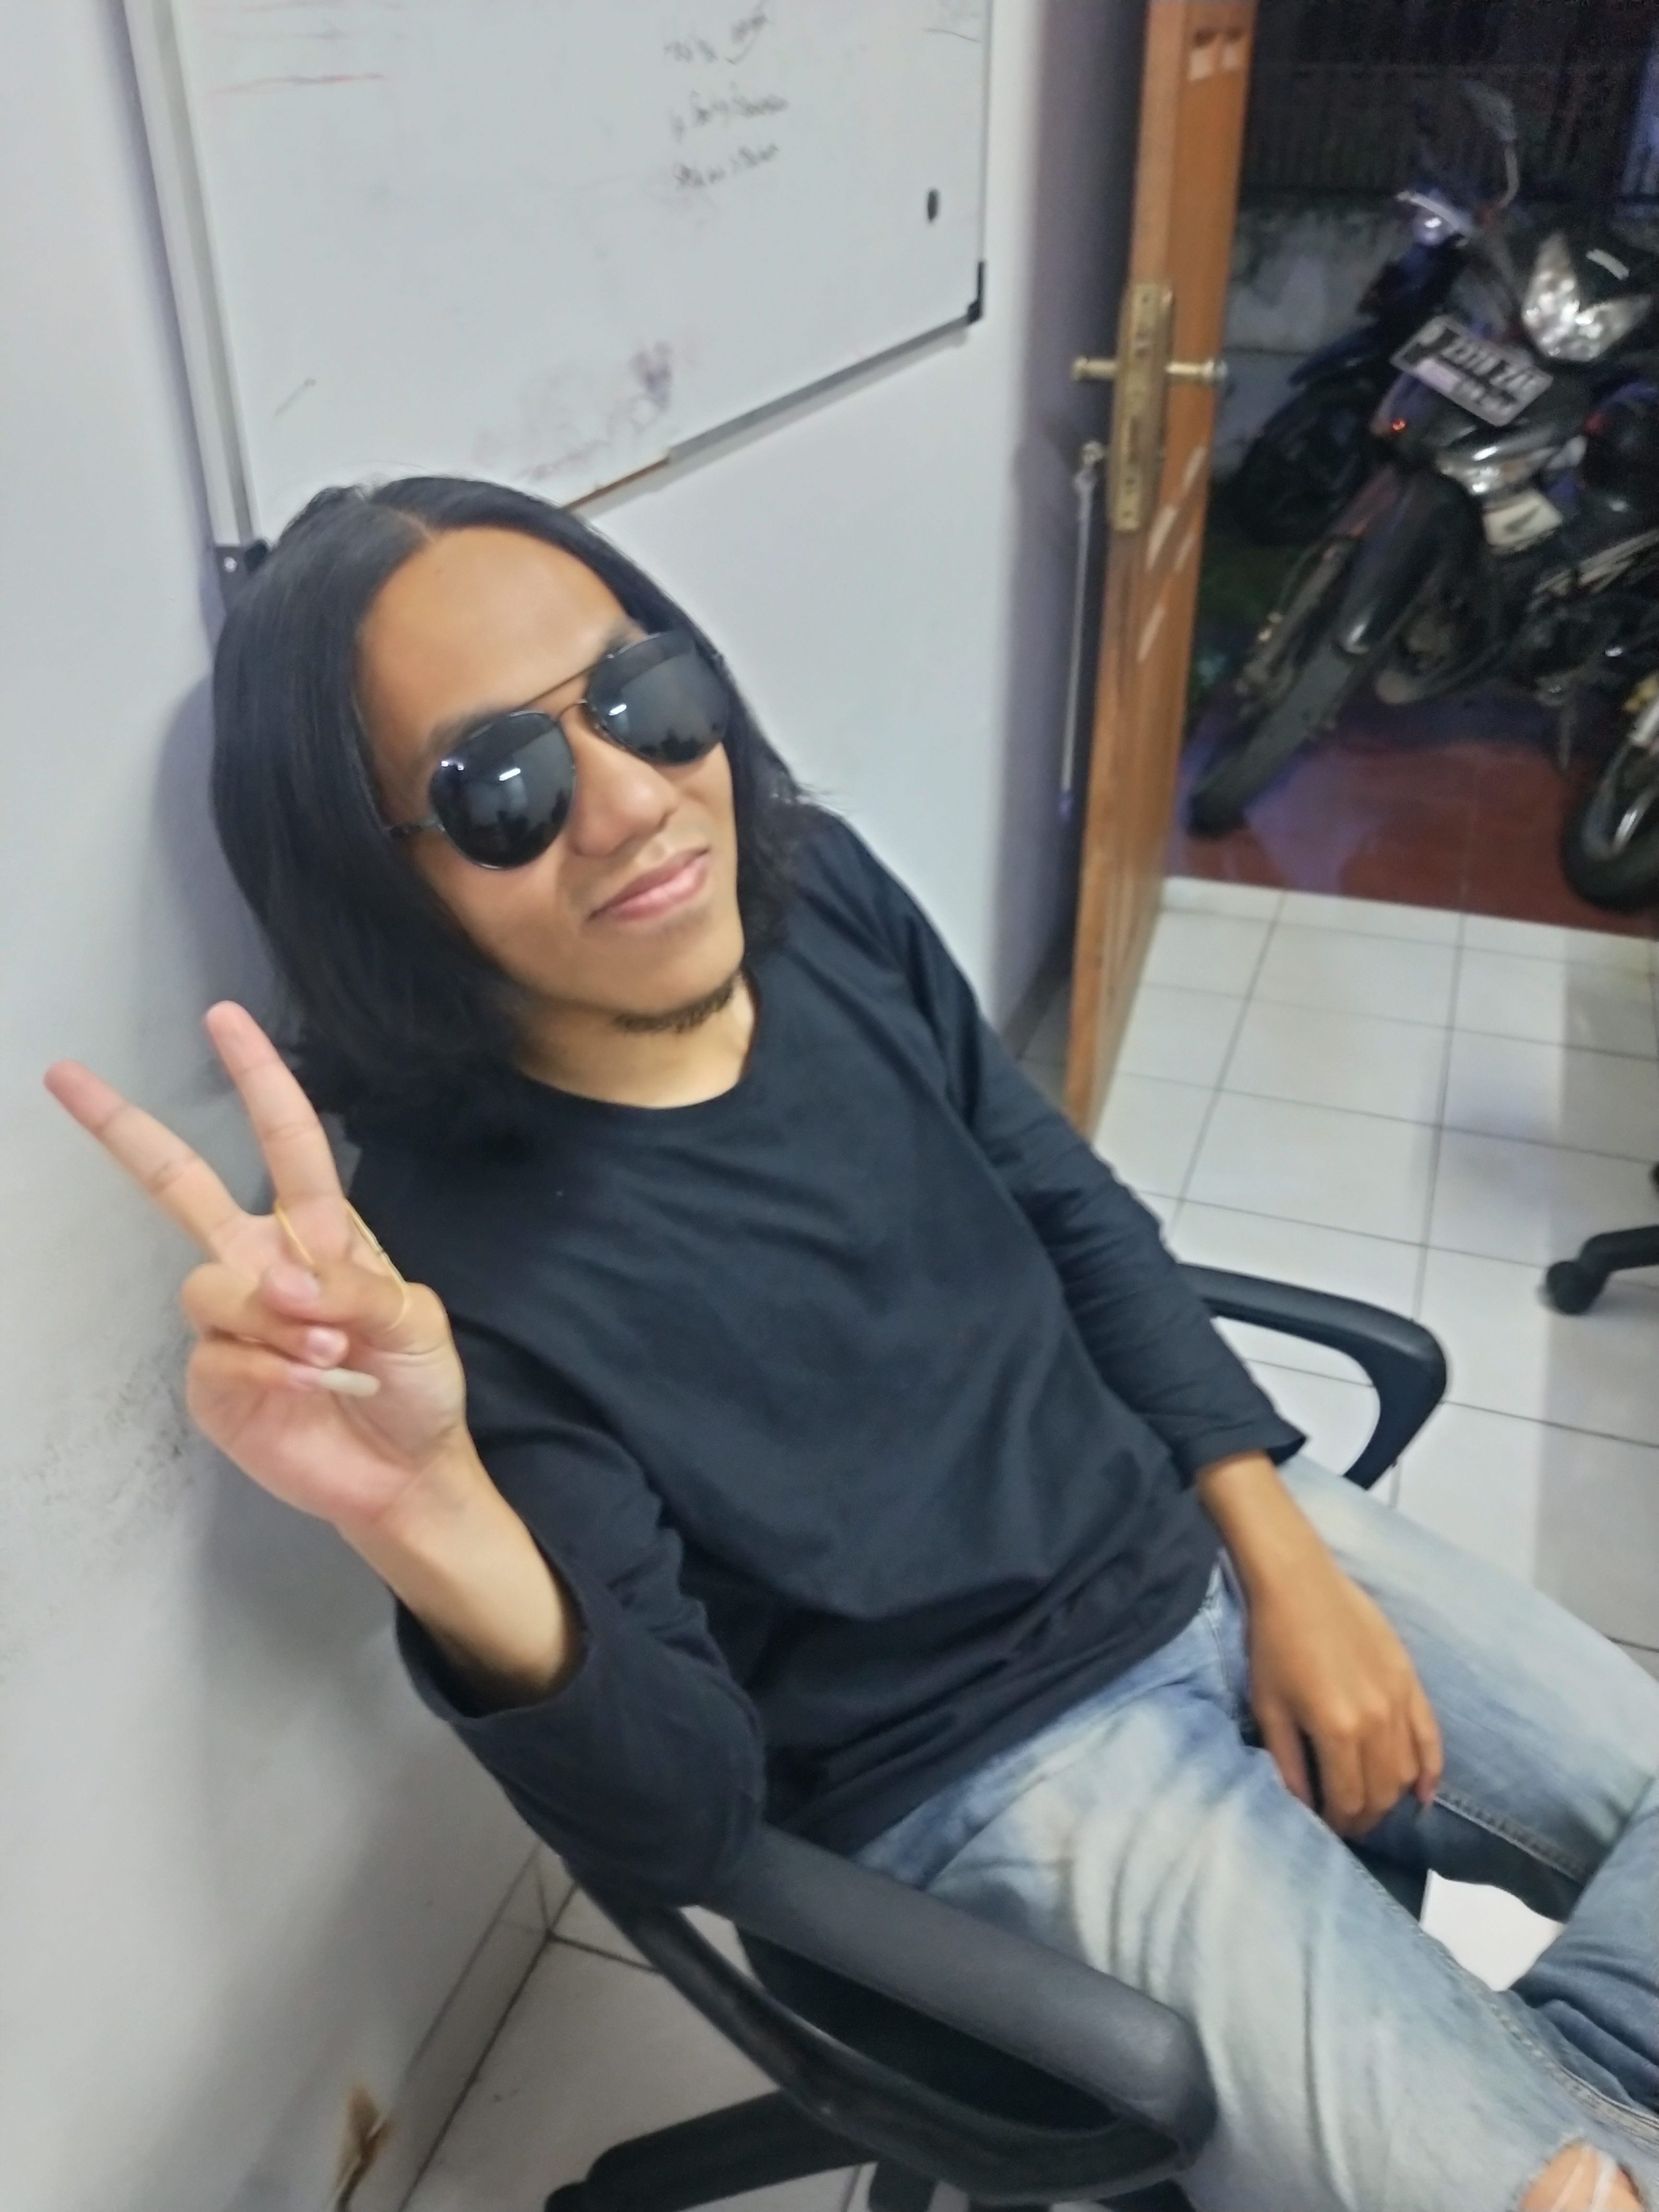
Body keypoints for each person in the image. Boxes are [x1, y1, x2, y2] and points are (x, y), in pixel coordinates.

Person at [47, 478, 1658, 2212]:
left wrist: (1279, 1552)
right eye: (499, 787)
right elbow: (684, 1824)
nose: (636, 803)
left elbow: (1063, 1201)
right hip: (993, 1760)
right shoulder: (448, 1277)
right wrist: (435, 1520)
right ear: (378, 881)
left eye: (641, 695)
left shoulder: (817, 901)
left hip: (1181, 1529)